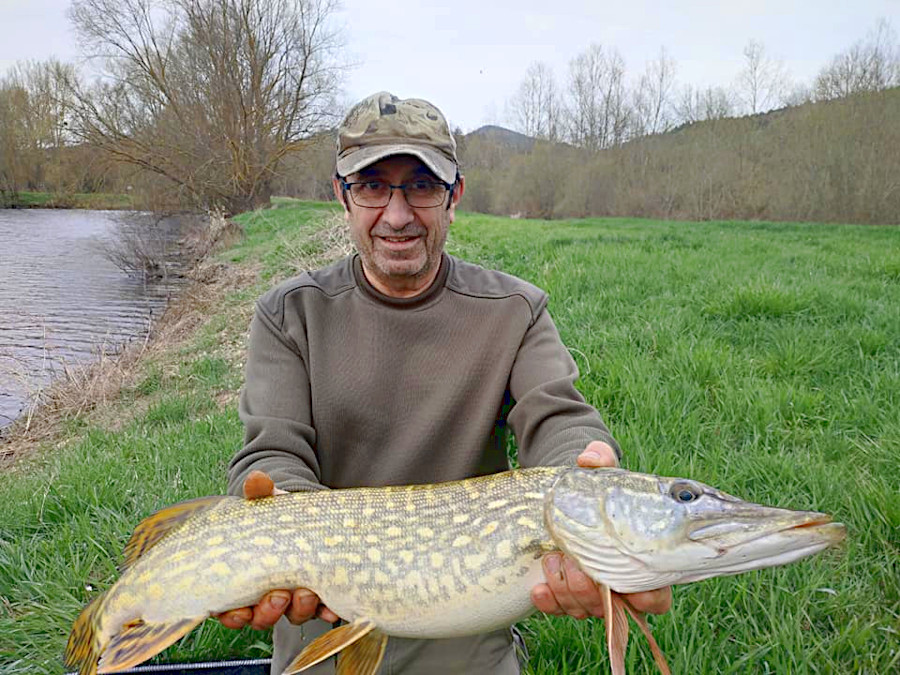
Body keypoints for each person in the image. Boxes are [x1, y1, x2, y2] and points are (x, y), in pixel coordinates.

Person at [219, 91, 671, 674]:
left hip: (468, 647)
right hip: (322, 627)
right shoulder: (289, 314)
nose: (398, 215)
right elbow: (272, 451)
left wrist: (585, 471)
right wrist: (288, 524)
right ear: (342, 195)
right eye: (373, 186)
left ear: (455, 195)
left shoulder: (516, 311)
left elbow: (557, 417)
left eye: (422, 186)